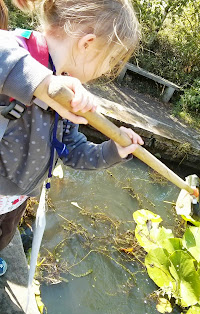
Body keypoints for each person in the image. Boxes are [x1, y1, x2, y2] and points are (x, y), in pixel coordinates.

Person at [0, 0, 142, 275]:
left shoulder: (70, 91)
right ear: (87, 44)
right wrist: (45, 85)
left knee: (5, 235)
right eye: (110, 61)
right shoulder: (18, 49)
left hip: (17, 198)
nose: (107, 71)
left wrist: (114, 150)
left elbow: (72, 151)